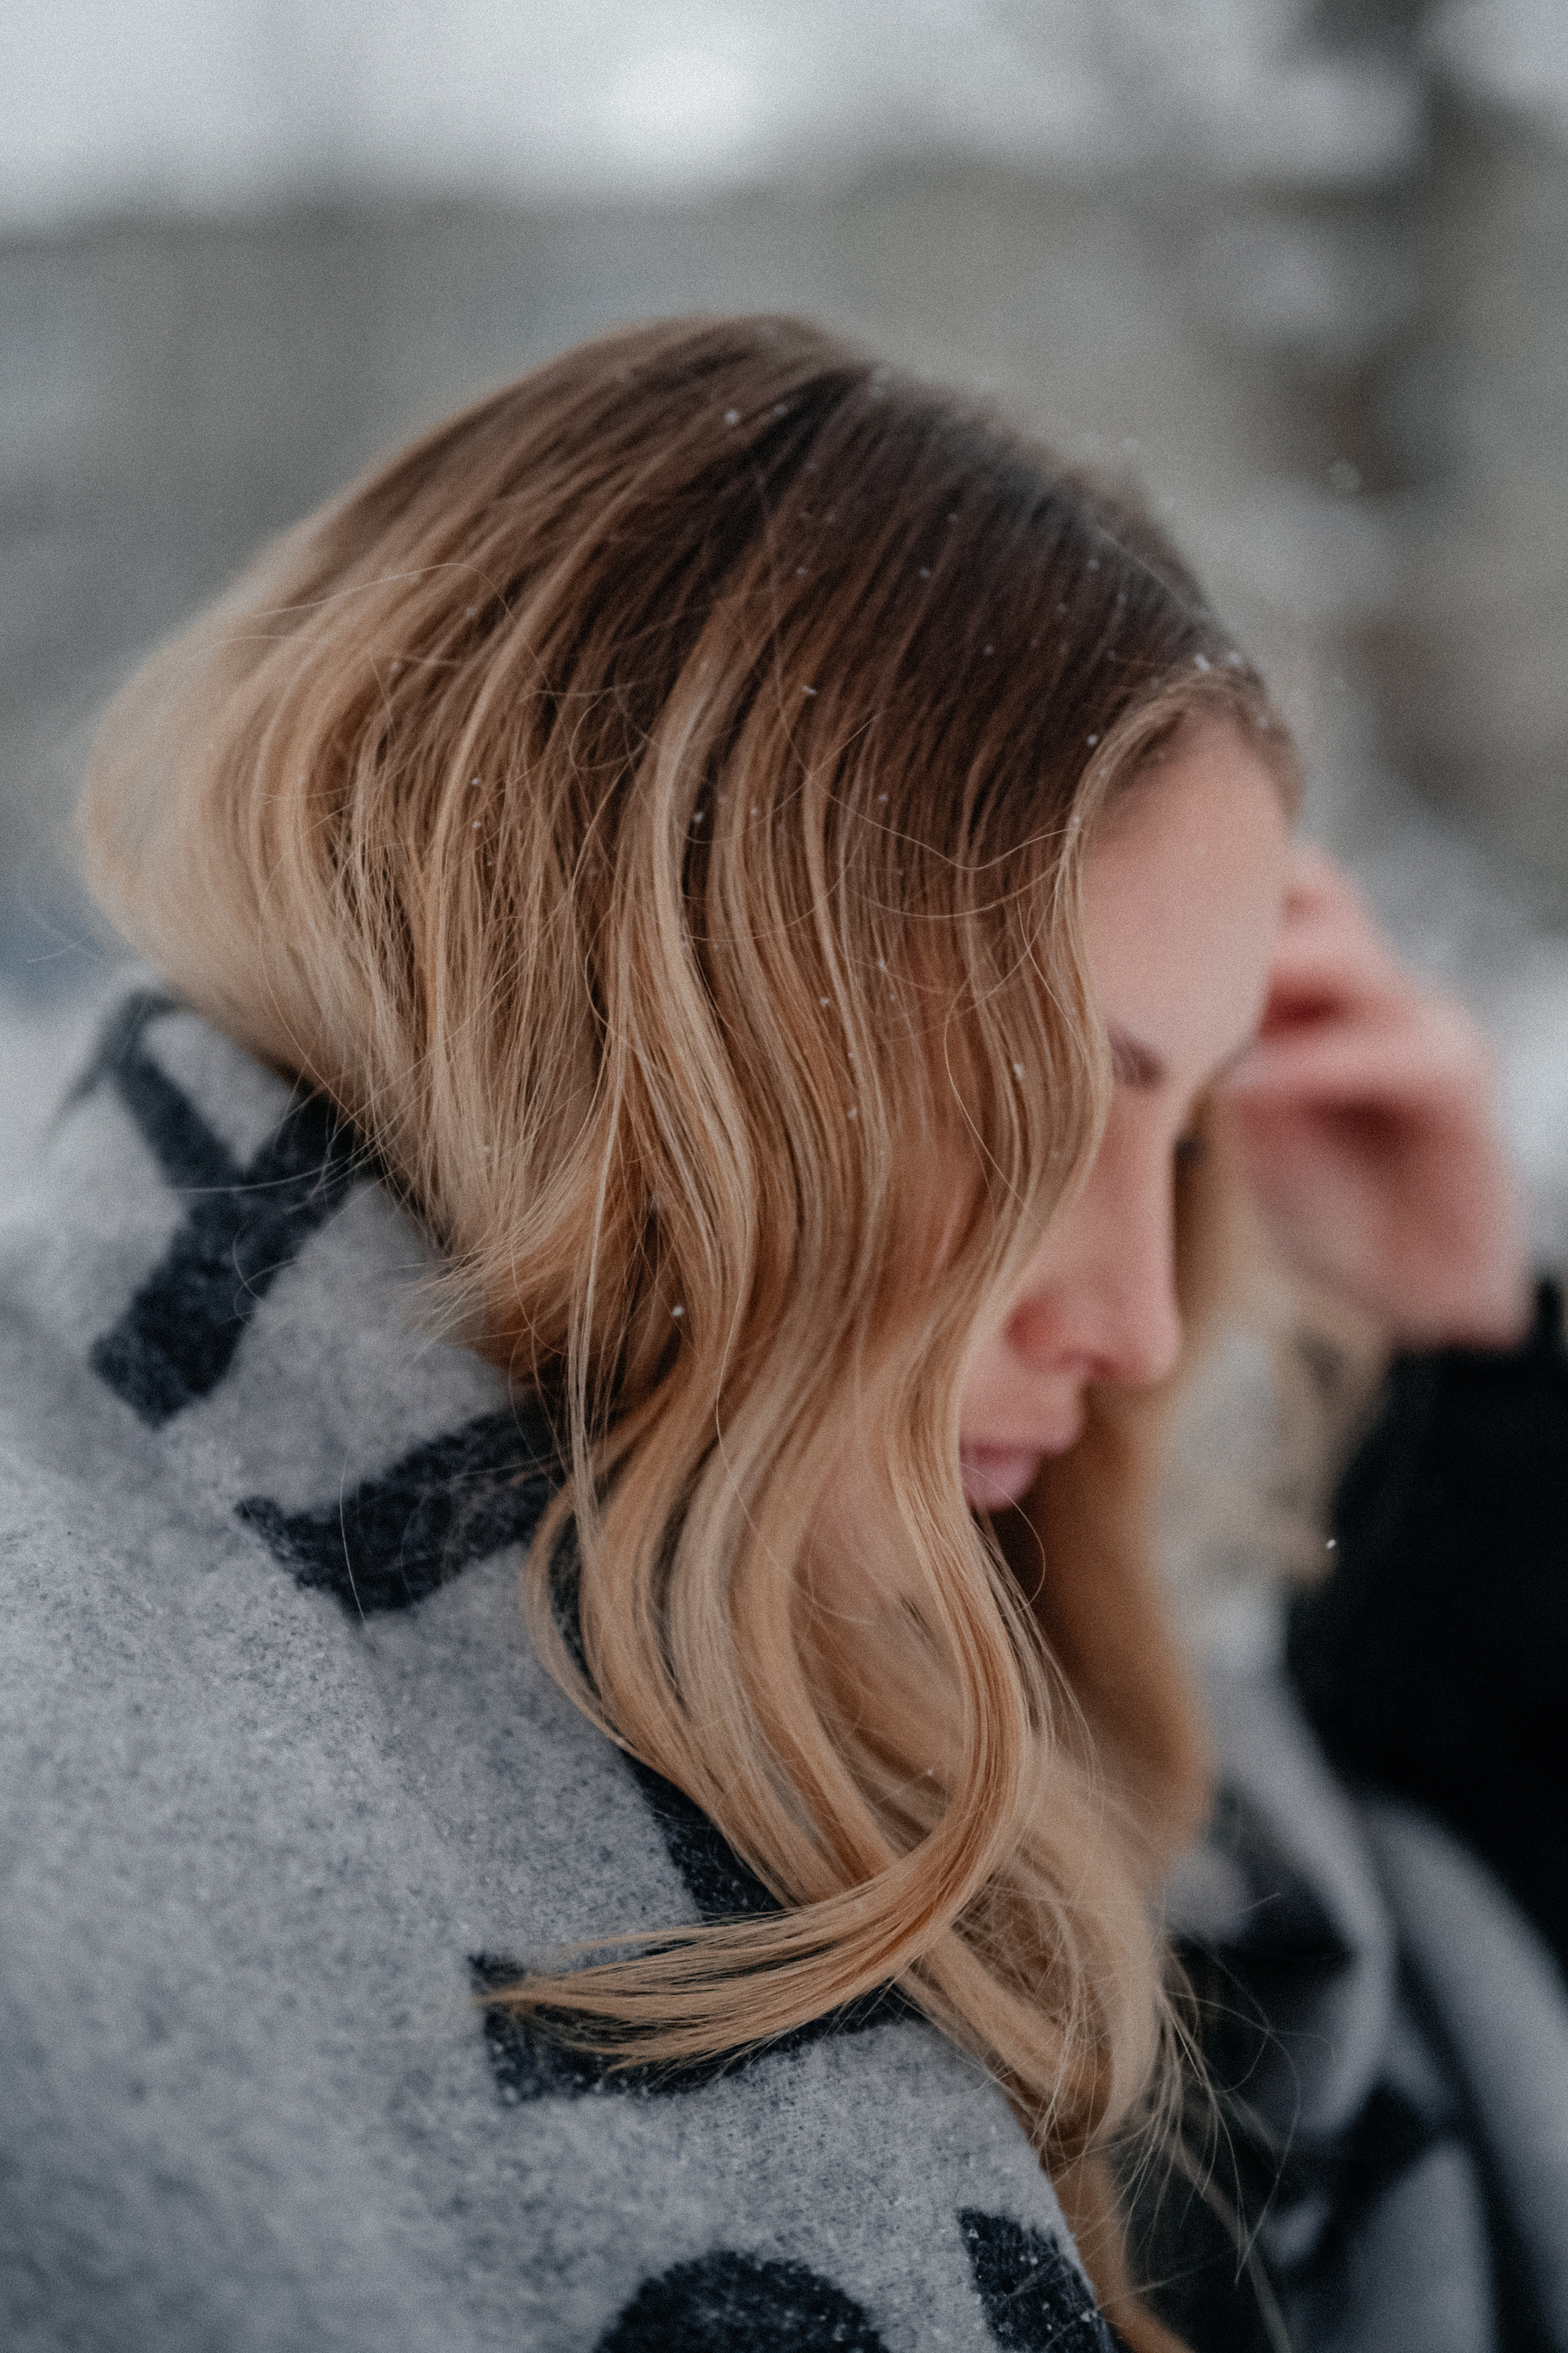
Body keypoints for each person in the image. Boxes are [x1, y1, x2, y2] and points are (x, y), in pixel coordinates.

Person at [2, 314, 1564, 2353]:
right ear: (631, 990)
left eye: (1179, 1137)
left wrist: (1467, 1382)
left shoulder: (999, 1729)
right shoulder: (79, 1828)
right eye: (1039, 1108)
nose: (1135, 1313)